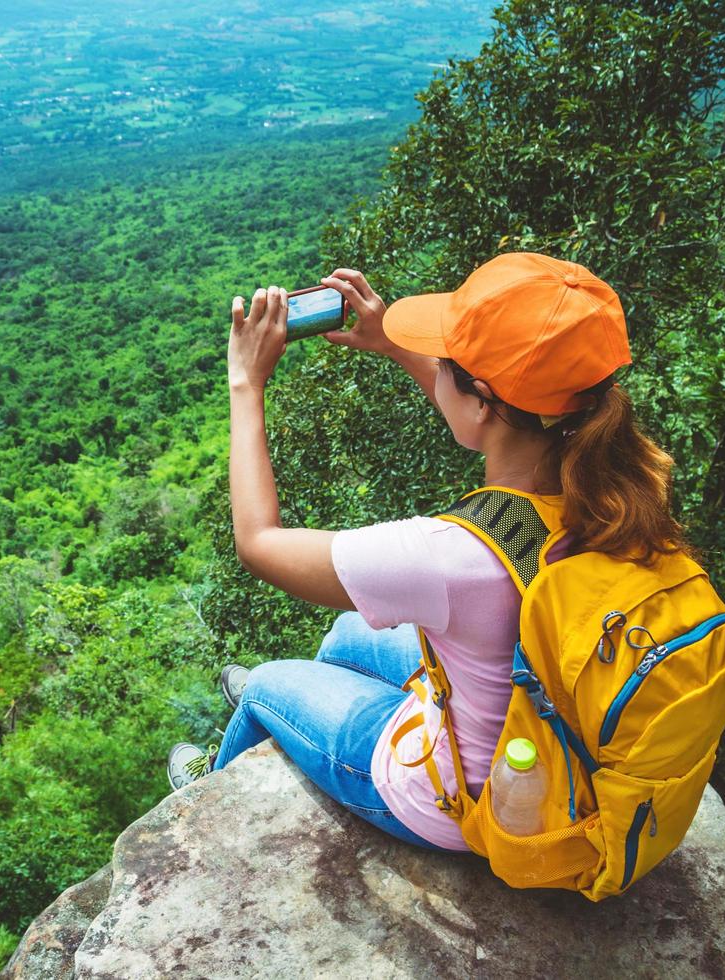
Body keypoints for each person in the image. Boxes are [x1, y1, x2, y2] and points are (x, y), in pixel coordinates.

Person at [167, 252, 688, 853]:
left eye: (445, 362)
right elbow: (495, 419)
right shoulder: (626, 481)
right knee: (345, 635)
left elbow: (258, 544)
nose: (436, 368)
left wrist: (245, 382)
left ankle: (208, 789)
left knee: (265, 685)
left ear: (485, 403)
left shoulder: (447, 557)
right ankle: (308, 706)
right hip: (553, 726)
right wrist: (394, 343)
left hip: (468, 799)